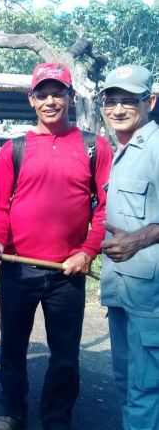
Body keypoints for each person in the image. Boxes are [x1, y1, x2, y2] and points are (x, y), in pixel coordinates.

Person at [0, 62, 113, 430]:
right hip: (17, 268)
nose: (51, 101)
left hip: (67, 273)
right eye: (43, 94)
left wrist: (88, 251)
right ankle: (12, 412)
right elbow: (0, 205)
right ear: (31, 99)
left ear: (71, 98)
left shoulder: (94, 147)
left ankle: (57, 418)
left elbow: (105, 208)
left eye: (58, 93)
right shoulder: (14, 150)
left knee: (65, 356)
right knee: (12, 349)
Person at [99, 65, 159, 430]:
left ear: (150, 101)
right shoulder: (124, 149)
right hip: (121, 291)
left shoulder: (155, 147)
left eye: (128, 101)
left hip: (151, 299)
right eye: (112, 100)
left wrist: (140, 238)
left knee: (144, 390)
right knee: (126, 383)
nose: (118, 109)